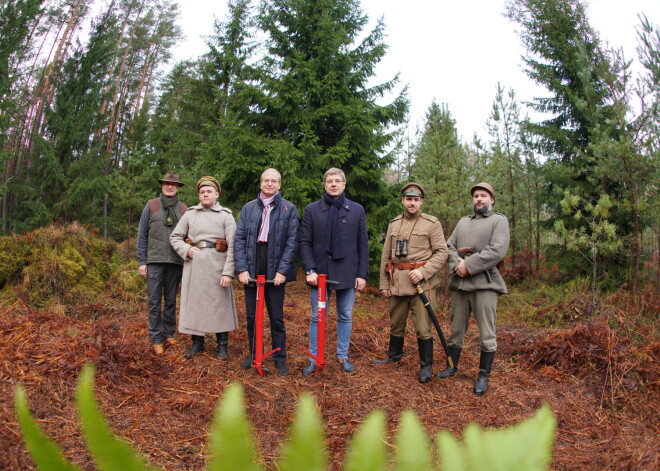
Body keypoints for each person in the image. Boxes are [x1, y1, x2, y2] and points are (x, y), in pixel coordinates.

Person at [436, 182, 509, 395]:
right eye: (476, 195)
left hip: (485, 284)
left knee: (487, 333)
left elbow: (497, 250)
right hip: (460, 284)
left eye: (483, 196)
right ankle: (451, 366)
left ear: (491, 200)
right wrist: (457, 265)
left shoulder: (499, 221)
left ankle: (483, 375)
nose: (479, 199)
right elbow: (448, 247)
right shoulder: (462, 222)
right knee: (456, 329)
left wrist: (469, 265)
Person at [374, 183, 448, 383]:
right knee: (395, 323)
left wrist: (424, 272)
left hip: (420, 286)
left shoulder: (432, 224)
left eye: (416, 199)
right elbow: (386, 255)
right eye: (408, 199)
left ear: (421, 201)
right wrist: (384, 284)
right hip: (397, 283)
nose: (412, 203)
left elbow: (442, 252)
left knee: (423, 327)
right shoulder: (394, 223)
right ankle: (394, 357)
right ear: (403, 200)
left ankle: (426, 366)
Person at [299, 168, 369, 376]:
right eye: (329, 181)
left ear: (344, 185)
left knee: (345, 315)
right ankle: (314, 357)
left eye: (337, 181)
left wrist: (362, 274)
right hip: (320, 273)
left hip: (348, 270)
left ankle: (342, 356)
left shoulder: (356, 210)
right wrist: (310, 269)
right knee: (316, 316)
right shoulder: (312, 209)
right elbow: (305, 242)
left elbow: (362, 245)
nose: (333, 184)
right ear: (324, 184)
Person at [234, 168, 298, 376]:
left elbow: (292, 242)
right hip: (253, 264)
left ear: (279, 185)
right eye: (266, 180)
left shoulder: (289, 209)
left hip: (276, 268)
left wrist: (283, 271)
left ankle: (280, 357)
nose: (269, 184)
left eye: (274, 181)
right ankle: (254, 355)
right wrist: (242, 268)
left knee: (276, 317)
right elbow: (239, 239)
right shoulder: (248, 208)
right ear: (260, 183)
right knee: (252, 316)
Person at [170, 176, 238, 360]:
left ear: (216, 194)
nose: (205, 194)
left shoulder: (226, 215)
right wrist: (188, 250)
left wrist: (228, 272)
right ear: (199, 195)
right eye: (202, 192)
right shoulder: (190, 214)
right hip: (195, 265)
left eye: (209, 191)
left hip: (218, 265)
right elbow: (175, 237)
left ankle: (222, 346)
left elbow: (233, 245)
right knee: (196, 304)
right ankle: (197, 343)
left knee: (220, 306)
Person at [136, 171, 188, 355]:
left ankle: (168, 333)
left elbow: (188, 238)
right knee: (154, 300)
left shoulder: (184, 210)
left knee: (171, 301)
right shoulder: (151, 206)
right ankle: (156, 337)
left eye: (173, 184)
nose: (170, 186)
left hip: (175, 262)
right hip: (154, 261)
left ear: (178, 187)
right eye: (167, 183)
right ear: (162, 185)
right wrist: (142, 261)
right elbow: (142, 234)